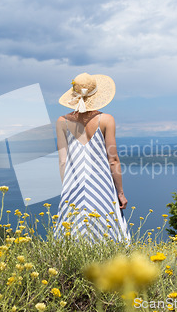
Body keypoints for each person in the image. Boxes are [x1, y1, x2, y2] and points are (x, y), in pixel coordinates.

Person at [53, 72, 131, 243]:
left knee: (71, 236)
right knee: (108, 234)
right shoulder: (106, 120)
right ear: (95, 95)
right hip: (102, 186)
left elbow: (62, 161)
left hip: (72, 186)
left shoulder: (62, 121)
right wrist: (120, 193)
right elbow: (113, 160)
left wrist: (66, 189)